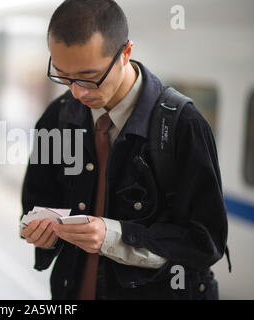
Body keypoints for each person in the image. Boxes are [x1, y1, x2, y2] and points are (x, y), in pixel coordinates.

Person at [20, 0, 228, 300]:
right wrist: (39, 231)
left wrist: (112, 237)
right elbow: (36, 199)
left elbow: (205, 242)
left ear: (126, 53)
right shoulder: (58, 116)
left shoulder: (184, 125)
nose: (77, 92)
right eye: (63, 76)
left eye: (90, 77)